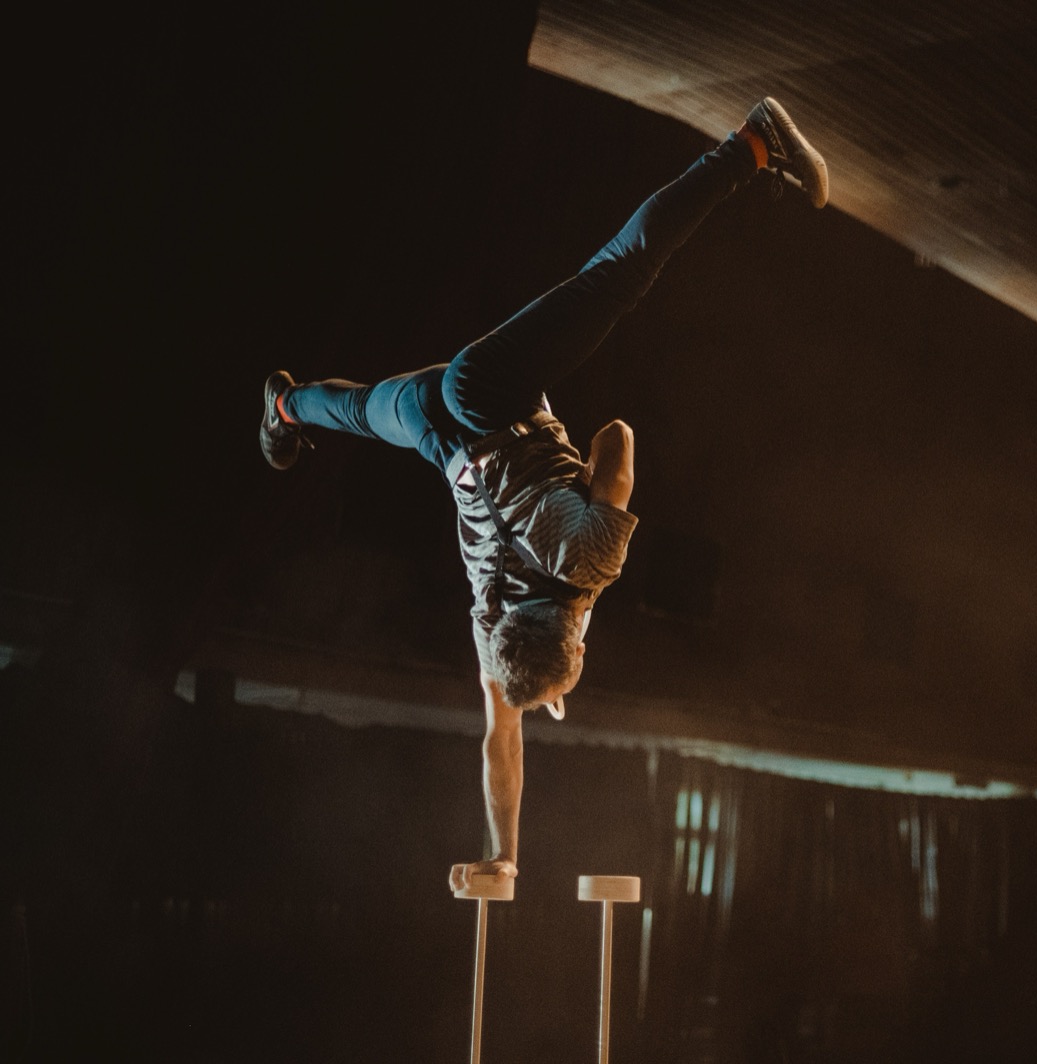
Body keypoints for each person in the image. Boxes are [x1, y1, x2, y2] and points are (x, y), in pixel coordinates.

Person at [255, 97, 828, 894]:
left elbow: (620, 437)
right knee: (352, 411)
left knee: (618, 274)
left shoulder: (589, 563)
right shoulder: (495, 639)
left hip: (489, 396)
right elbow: (501, 745)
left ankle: (753, 144)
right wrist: (505, 854)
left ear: (577, 645)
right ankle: (282, 410)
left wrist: (585, 484)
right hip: (438, 433)